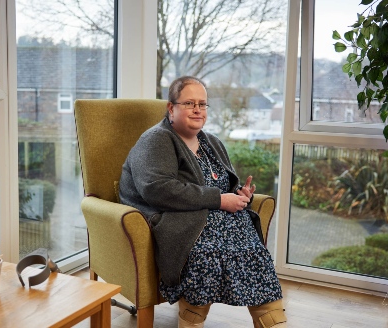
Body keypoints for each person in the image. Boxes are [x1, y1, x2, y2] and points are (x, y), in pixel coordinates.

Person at [119, 76, 286, 328]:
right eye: (189, 103)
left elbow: (223, 185)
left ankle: (274, 323)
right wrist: (219, 200)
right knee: (206, 255)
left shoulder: (212, 142)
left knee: (255, 253)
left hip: (220, 221)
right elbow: (157, 190)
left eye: (203, 104)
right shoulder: (156, 140)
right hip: (178, 221)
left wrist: (239, 195)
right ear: (171, 108)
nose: (198, 109)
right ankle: (191, 322)